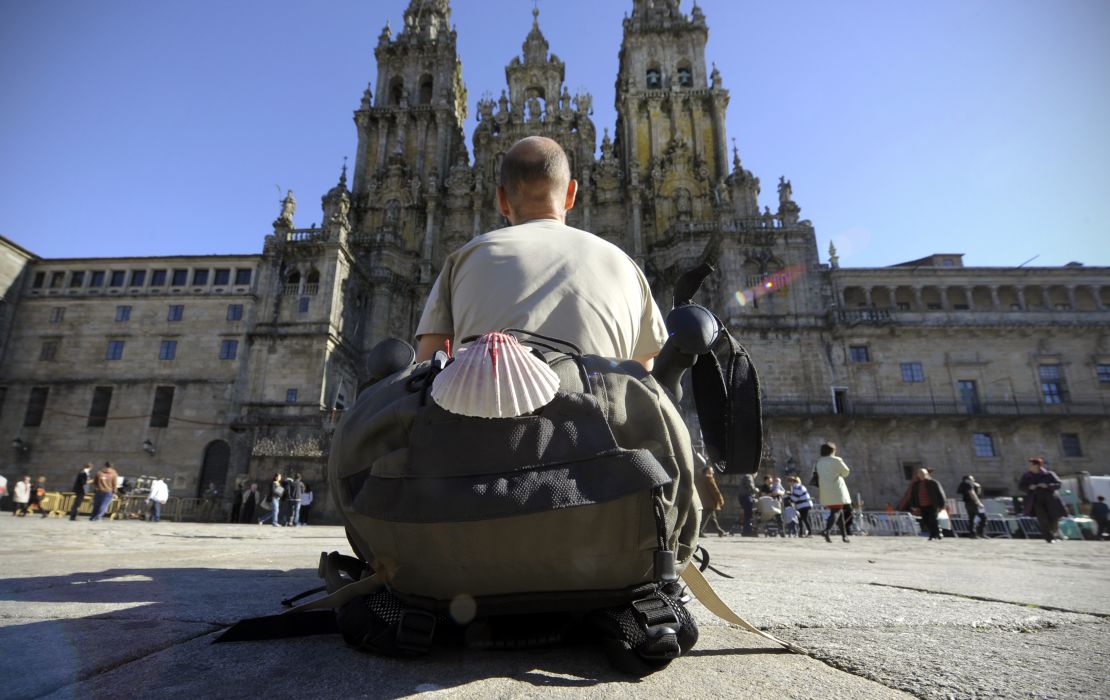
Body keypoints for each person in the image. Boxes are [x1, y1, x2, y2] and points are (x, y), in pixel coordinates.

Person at [414, 136, 667, 369]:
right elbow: (645, 380)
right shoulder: (625, 267)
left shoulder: (462, 261)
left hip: (480, 414)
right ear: (571, 194)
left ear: (501, 199)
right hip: (599, 415)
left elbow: (425, 368)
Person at [1018, 457, 1066, 543]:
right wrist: (1029, 487)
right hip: (1036, 499)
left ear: (1037, 465)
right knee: (1042, 519)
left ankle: (1054, 533)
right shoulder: (1027, 476)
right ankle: (1049, 538)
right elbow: (1021, 486)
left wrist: (1047, 485)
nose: (1029, 466)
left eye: (1031, 464)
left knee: (1054, 518)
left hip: (1051, 499)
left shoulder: (1049, 474)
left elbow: (1059, 484)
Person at [815, 442, 853, 543]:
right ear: (833, 451)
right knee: (836, 511)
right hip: (836, 488)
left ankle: (844, 535)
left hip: (825, 489)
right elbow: (846, 472)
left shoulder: (819, 462)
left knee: (838, 512)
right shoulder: (836, 460)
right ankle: (827, 530)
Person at [899, 468, 947, 541]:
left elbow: (940, 494)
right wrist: (913, 505)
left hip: (932, 505)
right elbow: (913, 495)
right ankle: (937, 531)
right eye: (920, 474)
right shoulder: (916, 485)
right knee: (926, 521)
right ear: (918, 475)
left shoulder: (933, 482)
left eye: (923, 474)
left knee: (932, 519)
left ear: (926, 474)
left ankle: (933, 535)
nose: (921, 475)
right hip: (922, 506)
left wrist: (942, 505)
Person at [695, 464, 727, 537]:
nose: (713, 472)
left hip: (702, 501)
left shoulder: (698, 479)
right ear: (707, 471)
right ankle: (699, 531)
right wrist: (720, 500)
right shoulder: (709, 478)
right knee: (705, 517)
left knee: (712, 517)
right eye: (711, 470)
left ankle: (720, 531)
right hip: (709, 502)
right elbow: (715, 491)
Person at [957, 474, 987, 538]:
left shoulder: (963, 485)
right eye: (972, 479)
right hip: (974, 504)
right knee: (983, 518)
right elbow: (972, 494)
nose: (973, 480)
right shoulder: (969, 485)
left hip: (967, 504)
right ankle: (980, 532)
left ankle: (972, 534)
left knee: (971, 519)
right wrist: (978, 503)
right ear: (968, 479)